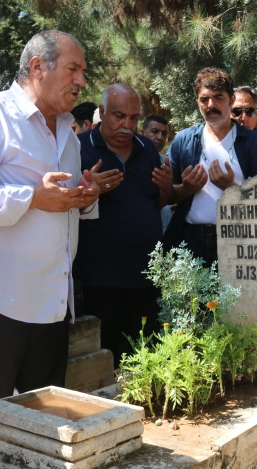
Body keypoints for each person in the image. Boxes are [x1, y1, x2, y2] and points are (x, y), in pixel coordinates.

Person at [0, 30, 100, 435]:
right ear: (38, 67)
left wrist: (86, 197)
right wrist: (30, 197)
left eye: (83, 72)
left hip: (50, 304)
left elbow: (60, 204)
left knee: (42, 433)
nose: (81, 81)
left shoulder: (68, 133)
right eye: (73, 69)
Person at [74, 83, 170, 367]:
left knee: (146, 353)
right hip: (101, 278)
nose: (127, 125)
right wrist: (90, 191)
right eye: (118, 116)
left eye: (133, 117)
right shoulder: (79, 148)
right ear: (102, 112)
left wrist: (169, 187)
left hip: (146, 276)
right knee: (107, 357)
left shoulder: (147, 149)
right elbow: (64, 205)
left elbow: (158, 202)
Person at [163, 67, 257, 266]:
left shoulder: (252, 142)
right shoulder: (183, 140)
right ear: (197, 102)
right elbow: (167, 196)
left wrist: (231, 189)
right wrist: (186, 189)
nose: (211, 105)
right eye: (204, 99)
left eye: (218, 97)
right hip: (189, 243)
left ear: (231, 101)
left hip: (237, 243)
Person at [142, 114, 173, 234]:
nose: (160, 137)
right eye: (154, 131)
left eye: (164, 134)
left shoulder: (165, 162)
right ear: (143, 132)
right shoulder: (131, 161)